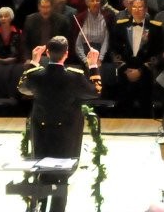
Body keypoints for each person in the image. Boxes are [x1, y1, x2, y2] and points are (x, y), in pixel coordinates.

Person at [19, 36, 102, 212]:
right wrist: (93, 64)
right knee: (62, 178)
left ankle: (40, 208)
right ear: (66, 54)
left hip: (42, 132)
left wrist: (34, 62)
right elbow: (96, 91)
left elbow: (22, 87)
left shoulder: (36, 74)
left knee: (42, 172)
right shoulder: (74, 77)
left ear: (47, 53)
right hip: (66, 133)